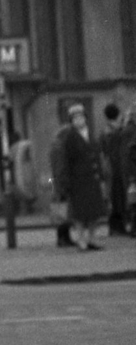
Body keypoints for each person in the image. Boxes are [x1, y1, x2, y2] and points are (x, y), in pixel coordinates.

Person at [51, 103, 105, 251]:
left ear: (85, 118)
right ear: (71, 121)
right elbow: (65, 162)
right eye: (75, 118)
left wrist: (101, 176)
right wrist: (64, 183)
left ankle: (92, 238)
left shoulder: (90, 134)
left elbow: (97, 156)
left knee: (95, 212)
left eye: (80, 117)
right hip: (78, 180)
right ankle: (81, 239)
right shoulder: (69, 138)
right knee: (79, 214)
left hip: (92, 179)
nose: (78, 120)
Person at [99, 103, 129, 236]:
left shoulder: (106, 131)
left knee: (114, 196)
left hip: (109, 166)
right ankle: (117, 226)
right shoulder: (115, 132)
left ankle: (116, 226)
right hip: (115, 167)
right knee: (117, 196)